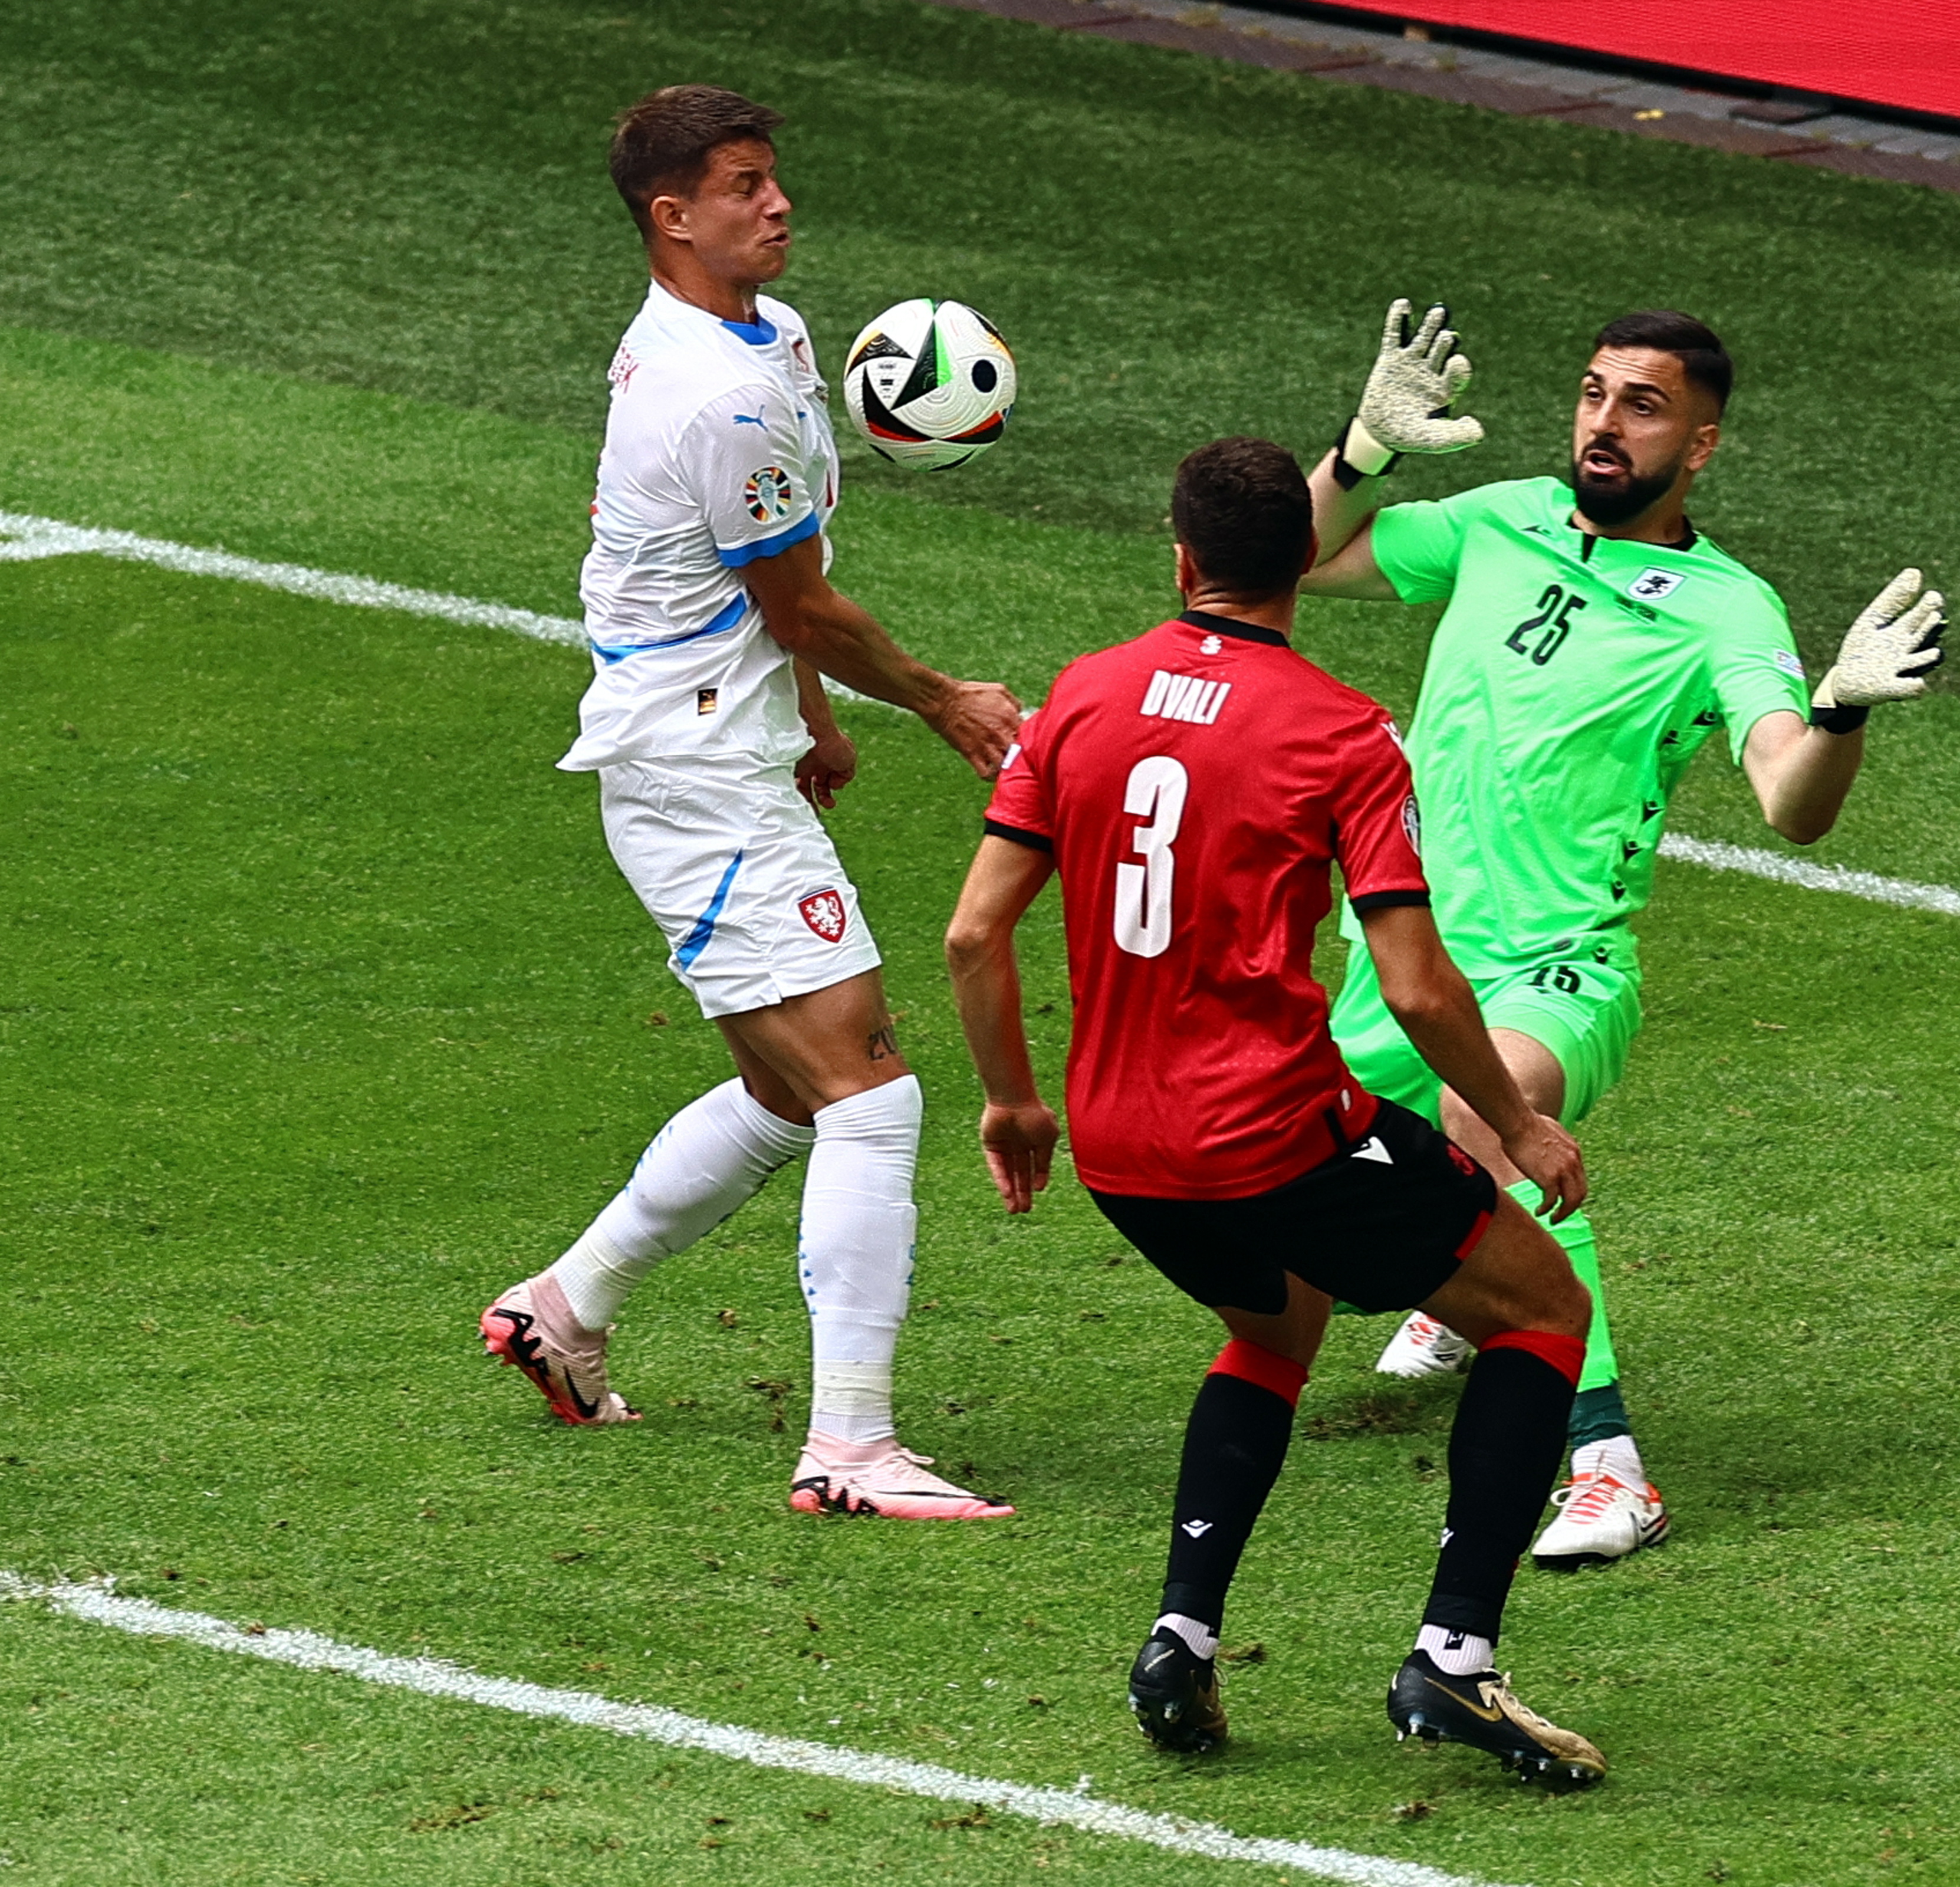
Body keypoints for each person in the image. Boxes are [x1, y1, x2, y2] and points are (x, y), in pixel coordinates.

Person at [944, 437, 1610, 1787]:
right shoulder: (1344, 731)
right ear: (1303, 561)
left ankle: (1180, 1643)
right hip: (1269, 1130)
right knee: (1543, 1310)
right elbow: (1416, 988)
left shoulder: (1082, 695)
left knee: (1274, 1324)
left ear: (1178, 553)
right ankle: (1456, 1661)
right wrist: (1520, 1126)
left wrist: (1015, 1102)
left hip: (1121, 1146)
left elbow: (971, 933)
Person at [1301, 302, 1947, 1566]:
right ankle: (1456, 1279)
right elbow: (1298, 558)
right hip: (1403, 962)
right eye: (1595, 393)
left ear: (1699, 446)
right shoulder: (1499, 519)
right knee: (1271, 1157)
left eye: (1640, 405)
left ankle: (1607, 1466)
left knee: (1494, 1117)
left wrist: (1837, 716)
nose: (1604, 422)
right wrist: (1363, 450)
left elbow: (1787, 800)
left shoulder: (1726, 609)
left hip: (1559, 966)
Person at [481, 84, 1022, 1523]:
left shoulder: (766, 338)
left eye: (775, 178)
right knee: (870, 1092)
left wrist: (818, 721)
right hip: (691, 773)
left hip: (730, 744)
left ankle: (563, 1306)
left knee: (794, 1089)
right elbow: (804, 600)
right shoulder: (713, 390)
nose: (776, 204)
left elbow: (771, 595)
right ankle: (848, 1445)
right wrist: (946, 700)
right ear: (673, 217)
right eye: (742, 185)